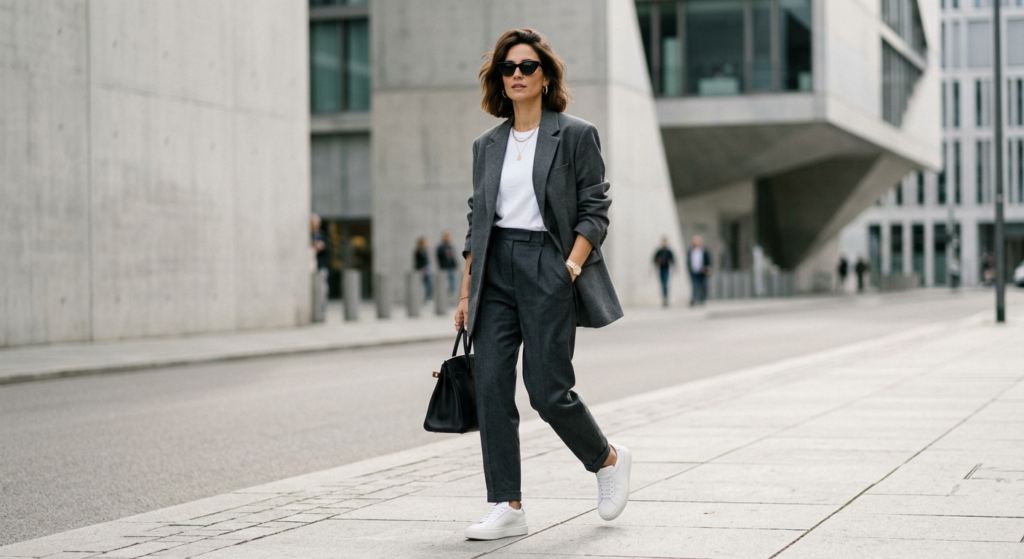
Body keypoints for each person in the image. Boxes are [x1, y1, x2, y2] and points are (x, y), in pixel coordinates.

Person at [453, 28, 630, 541]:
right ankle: (506, 505)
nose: (516, 75)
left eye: (527, 66)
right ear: (498, 79)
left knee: (548, 392)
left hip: (548, 263)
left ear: (546, 75)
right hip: (494, 269)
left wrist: (569, 267)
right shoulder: (486, 145)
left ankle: (608, 459)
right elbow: (477, 220)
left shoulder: (574, 134)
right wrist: (466, 293)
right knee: (489, 386)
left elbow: (595, 211)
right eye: (508, 68)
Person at [310, 214, 329, 321]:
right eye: (313, 223)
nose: (315, 225)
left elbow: (327, 249)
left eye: (316, 223)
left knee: (322, 290)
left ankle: (321, 313)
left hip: (320, 266)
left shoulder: (322, 235)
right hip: (310, 267)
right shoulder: (308, 235)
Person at [688, 235, 711, 306]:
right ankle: (694, 299)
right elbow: (688, 261)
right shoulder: (691, 251)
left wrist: (707, 268)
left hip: (702, 271)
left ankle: (702, 299)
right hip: (694, 271)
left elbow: (708, 261)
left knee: (703, 285)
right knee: (694, 285)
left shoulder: (704, 251)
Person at [652, 237, 675, 307]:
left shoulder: (668, 251)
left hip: (666, 269)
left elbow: (672, 259)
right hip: (661, 269)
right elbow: (654, 259)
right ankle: (664, 298)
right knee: (662, 284)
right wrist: (658, 261)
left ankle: (666, 298)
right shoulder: (659, 251)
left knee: (665, 283)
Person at [436, 231, 458, 298]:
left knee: (452, 283)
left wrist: (455, 265)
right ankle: (444, 297)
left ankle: (450, 296)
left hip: (451, 267)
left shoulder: (450, 246)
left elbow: (453, 258)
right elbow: (439, 257)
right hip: (444, 268)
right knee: (444, 284)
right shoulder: (441, 247)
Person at [414, 237, 432, 302]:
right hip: (421, 269)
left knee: (428, 284)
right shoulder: (418, 252)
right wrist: (422, 269)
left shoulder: (425, 251)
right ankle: (418, 299)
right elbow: (418, 262)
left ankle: (428, 299)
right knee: (420, 284)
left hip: (427, 269)